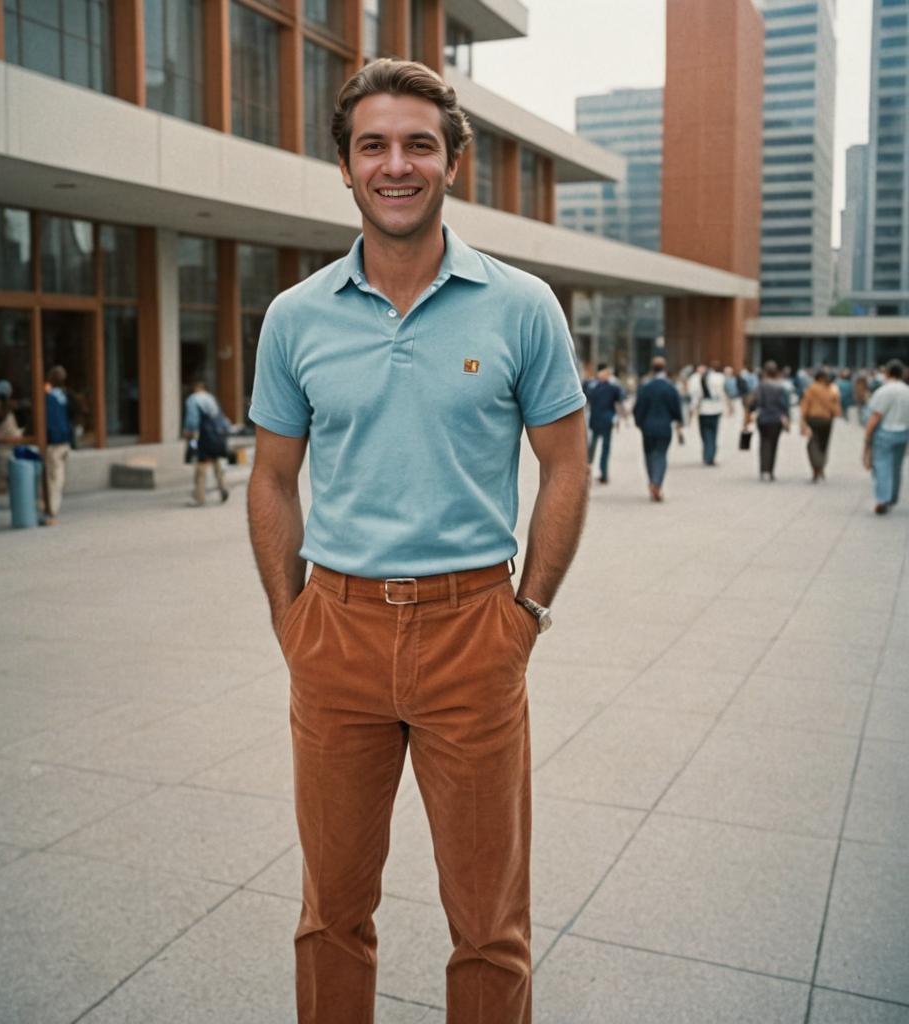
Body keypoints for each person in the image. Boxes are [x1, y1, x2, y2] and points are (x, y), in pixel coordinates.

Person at [247, 58, 589, 1023]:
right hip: (337, 635)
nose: (397, 164)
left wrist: (527, 612)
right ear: (345, 168)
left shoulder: (520, 305)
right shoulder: (296, 316)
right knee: (332, 913)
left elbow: (566, 463)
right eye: (374, 146)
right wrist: (292, 617)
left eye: (418, 145)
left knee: (489, 924)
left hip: (474, 632)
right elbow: (271, 478)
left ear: (452, 162)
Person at [634, 356, 684, 502]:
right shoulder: (670, 388)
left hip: (648, 427)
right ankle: (657, 483)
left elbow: (638, 408)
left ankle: (652, 481)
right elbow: (676, 408)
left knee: (649, 455)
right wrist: (679, 421)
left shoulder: (645, 387)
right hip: (664, 427)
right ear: (665, 369)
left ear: (652, 369)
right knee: (661, 455)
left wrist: (639, 423)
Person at [863, 359, 909, 515]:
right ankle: (892, 497)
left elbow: (876, 415)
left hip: (884, 433)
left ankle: (883, 498)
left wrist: (867, 437)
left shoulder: (883, 391)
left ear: (887, 373)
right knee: (896, 467)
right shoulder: (906, 391)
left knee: (882, 466)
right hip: (903, 433)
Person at [183, 378, 230, 506]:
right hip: (215, 435)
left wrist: (189, 432)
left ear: (196, 387)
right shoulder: (210, 398)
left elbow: (192, 419)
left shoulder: (193, 399)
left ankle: (199, 496)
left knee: (201, 465)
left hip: (202, 434)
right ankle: (222, 487)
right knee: (216, 461)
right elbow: (220, 416)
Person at [745, 360, 790, 481]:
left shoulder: (761, 385)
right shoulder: (781, 386)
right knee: (774, 444)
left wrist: (750, 412)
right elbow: (784, 405)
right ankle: (770, 471)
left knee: (764, 443)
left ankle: (764, 470)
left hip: (763, 418)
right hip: (776, 419)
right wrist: (786, 417)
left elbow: (754, 402)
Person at [584, 362, 626, 484]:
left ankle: (594, 471)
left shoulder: (592, 386)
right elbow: (621, 400)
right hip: (605, 421)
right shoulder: (612, 387)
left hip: (597, 421)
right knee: (602, 448)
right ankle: (601, 472)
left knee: (595, 447)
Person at [799, 369, 842, 482]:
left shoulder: (811, 389)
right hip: (827, 419)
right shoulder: (831, 390)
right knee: (824, 444)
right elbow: (836, 406)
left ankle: (816, 468)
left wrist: (802, 420)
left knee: (813, 444)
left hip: (813, 419)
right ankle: (821, 467)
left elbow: (805, 405)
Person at [43, 366, 73, 524]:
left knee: (53, 478)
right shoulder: (63, 396)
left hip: (54, 443)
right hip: (63, 442)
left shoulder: (49, 398)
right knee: (57, 477)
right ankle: (51, 509)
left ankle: (51, 511)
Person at [688, 360, 730, 466]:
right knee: (713, 433)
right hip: (715, 408)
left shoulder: (695, 379)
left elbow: (694, 396)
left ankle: (708, 455)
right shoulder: (718, 377)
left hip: (704, 409)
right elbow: (723, 393)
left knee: (706, 433)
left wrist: (692, 410)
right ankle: (710, 455)